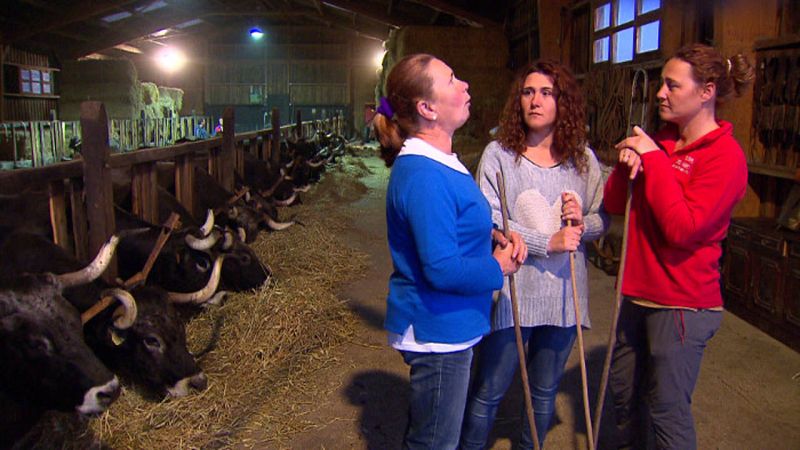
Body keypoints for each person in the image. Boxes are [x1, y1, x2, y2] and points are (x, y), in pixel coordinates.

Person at [604, 43, 755, 449]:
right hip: (638, 295)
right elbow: (616, 204)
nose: (660, 93)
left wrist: (652, 162)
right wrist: (626, 164)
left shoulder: (725, 157)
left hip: (682, 302)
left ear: (706, 92)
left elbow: (682, 229)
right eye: (661, 84)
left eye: (672, 85)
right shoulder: (664, 142)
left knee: (666, 411)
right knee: (623, 399)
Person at [373, 53, 527, 450]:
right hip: (438, 329)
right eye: (453, 80)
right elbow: (440, 268)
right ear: (427, 108)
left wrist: (488, 234)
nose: (466, 86)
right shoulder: (425, 175)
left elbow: (448, 227)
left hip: (450, 323)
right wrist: (497, 266)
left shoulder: (440, 163)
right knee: (434, 444)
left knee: (431, 434)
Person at [460, 60, 610, 449]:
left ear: (564, 102)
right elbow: (488, 214)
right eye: (528, 92)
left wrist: (581, 224)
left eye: (546, 92)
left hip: (565, 297)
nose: (535, 101)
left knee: (543, 393)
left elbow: (600, 218)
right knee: (490, 388)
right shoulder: (499, 155)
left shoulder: (583, 159)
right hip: (516, 291)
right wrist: (547, 242)